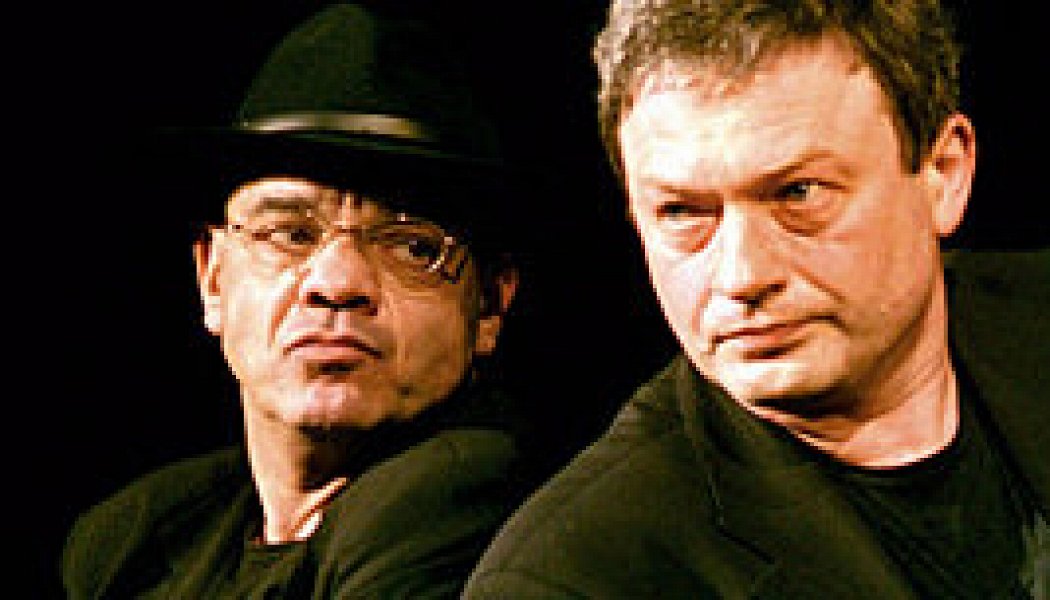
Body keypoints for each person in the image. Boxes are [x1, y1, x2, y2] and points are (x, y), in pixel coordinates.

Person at [464, 1, 1049, 597]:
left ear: (943, 175)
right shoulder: (575, 579)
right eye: (682, 212)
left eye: (799, 194)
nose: (741, 276)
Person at [61, 4, 533, 598]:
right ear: (212, 278)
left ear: (488, 306)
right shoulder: (135, 536)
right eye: (289, 233)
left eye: (412, 246)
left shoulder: (467, 502)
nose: (337, 284)